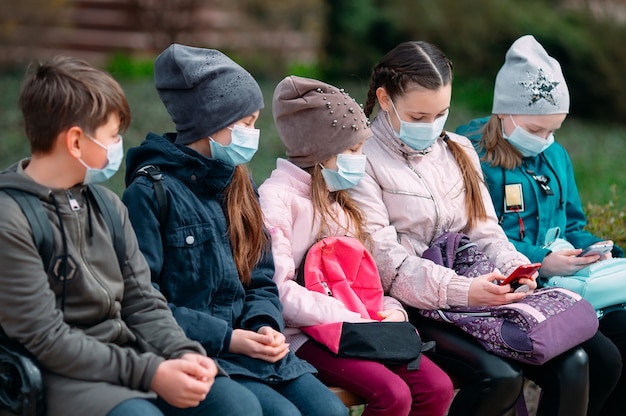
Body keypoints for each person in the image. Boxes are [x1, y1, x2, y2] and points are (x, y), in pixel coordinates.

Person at [349, 40, 620, 416]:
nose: (432, 127)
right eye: (418, 117)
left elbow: (486, 232)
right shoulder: (360, 160)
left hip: (482, 290)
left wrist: (517, 271)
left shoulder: (457, 148)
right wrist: (467, 292)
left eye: (441, 114)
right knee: (501, 378)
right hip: (419, 304)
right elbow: (387, 264)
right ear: (384, 99)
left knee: (585, 362)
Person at [0, 56, 263, 416]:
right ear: (76, 141)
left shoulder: (108, 205)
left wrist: (183, 354)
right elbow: (46, 338)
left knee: (236, 405)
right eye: (113, 136)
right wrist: (152, 373)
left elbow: (142, 301)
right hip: (58, 375)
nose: (119, 146)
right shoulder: (11, 218)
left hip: (131, 358)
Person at [122, 44, 347, 416]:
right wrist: (229, 338)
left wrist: (263, 324)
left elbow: (261, 279)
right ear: (209, 121)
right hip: (198, 351)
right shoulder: (150, 194)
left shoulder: (241, 186)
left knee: (330, 411)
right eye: (245, 124)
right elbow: (145, 301)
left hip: (255, 350)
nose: (253, 134)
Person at [258, 75, 455, 416]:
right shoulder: (277, 200)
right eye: (352, 150)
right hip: (306, 335)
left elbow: (365, 280)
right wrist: (346, 317)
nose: (360, 160)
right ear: (319, 152)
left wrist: (390, 309)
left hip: (361, 328)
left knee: (437, 388)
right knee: (392, 395)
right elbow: (278, 289)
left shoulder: (342, 202)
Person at [456, 34, 625, 416]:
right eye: (536, 129)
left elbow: (574, 223)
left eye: (554, 130)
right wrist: (542, 261)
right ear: (505, 112)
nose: (545, 140)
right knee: (602, 360)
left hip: (571, 284)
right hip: (518, 290)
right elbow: (474, 237)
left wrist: (597, 250)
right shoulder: (472, 154)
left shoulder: (555, 154)